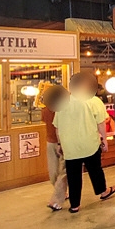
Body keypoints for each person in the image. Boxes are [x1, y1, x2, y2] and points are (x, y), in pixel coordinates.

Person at [53, 72, 115, 213]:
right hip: (90, 143)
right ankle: (103, 191)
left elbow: (57, 127)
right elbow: (101, 123)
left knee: (73, 176)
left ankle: (74, 205)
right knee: (95, 170)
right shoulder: (94, 101)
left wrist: (59, 144)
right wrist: (104, 139)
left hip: (70, 146)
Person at [41, 84, 69, 212]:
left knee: (61, 171)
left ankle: (57, 199)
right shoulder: (49, 110)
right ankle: (61, 193)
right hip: (55, 141)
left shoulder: (59, 110)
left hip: (60, 142)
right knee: (57, 172)